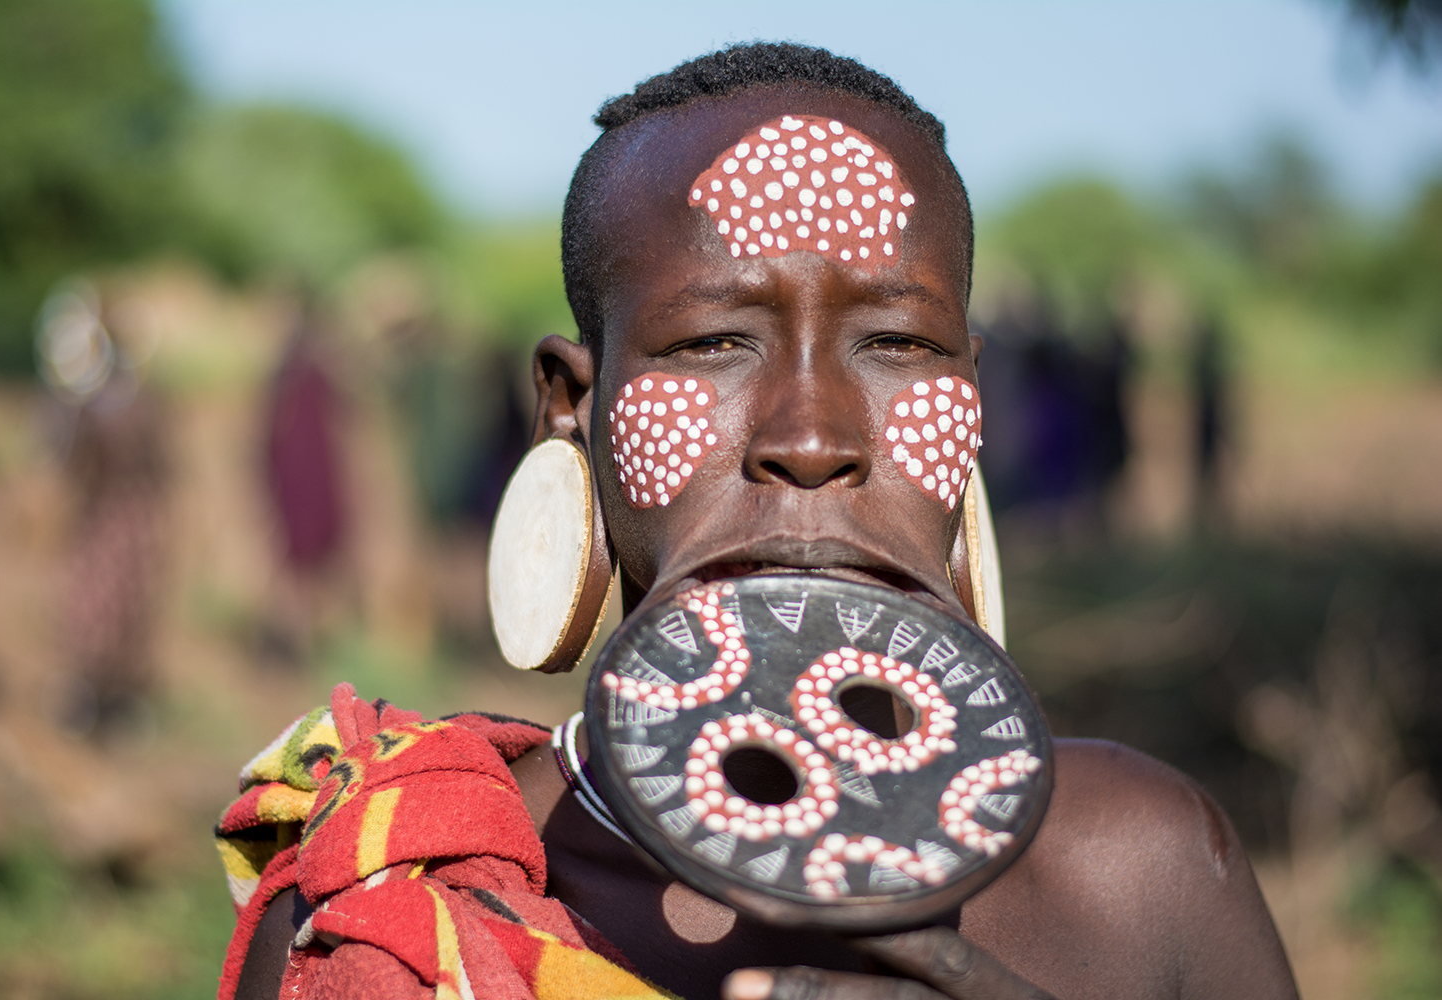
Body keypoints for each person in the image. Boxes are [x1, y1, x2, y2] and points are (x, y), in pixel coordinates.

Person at [217, 44, 1298, 1000]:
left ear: (975, 394)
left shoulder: (1141, 873)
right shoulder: (388, 899)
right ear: (571, 408)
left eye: (899, 345)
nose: (815, 435)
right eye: (712, 344)